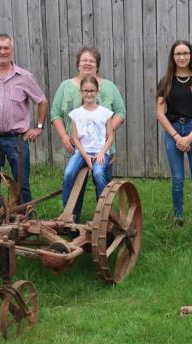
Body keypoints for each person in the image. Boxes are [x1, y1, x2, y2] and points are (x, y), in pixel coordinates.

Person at [0, 33, 48, 205]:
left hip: (17, 140)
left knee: (22, 183)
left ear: (11, 51)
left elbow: (42, 101)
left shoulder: (24, 77)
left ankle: (26, 218)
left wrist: (39, 127)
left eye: (6, 48)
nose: (2, 51)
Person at [50, 46, 126, 220]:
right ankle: (71, 216)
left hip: (102, 147)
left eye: (91, 61)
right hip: (75, 147)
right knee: (74, 179)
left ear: (97, 65)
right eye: (84, 60)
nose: (87, 63)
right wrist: (64, 136)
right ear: (78, 64)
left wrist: (108, 132)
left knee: (101, 179)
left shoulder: (109, 87)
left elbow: (121, 112)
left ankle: (105, 217)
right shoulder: (66, 86)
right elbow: (55, 113)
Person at [156, 40, 192, 225]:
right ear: (173, 57)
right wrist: (177, 137)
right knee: (178, 178)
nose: (182, 57)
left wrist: (191, 136)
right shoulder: (165, 82)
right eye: (178, 54)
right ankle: (178, 217)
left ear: (191, 55)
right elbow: (159, 113)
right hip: (173, 132)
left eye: (185, 53)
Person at [62, 76, 115, 203]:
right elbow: (75, 137)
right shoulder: (76, 113)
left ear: (97, 92)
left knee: (98, 174)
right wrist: (85, 155)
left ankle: (102, 208)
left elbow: (110, 136)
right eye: (86, 91)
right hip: (81, 152)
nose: (89, 94)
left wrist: (102, 152)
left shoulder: (105, 113)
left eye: (92, 90)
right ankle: (68, 212)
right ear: (81, 92)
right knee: (69, 174)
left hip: (100, 152)